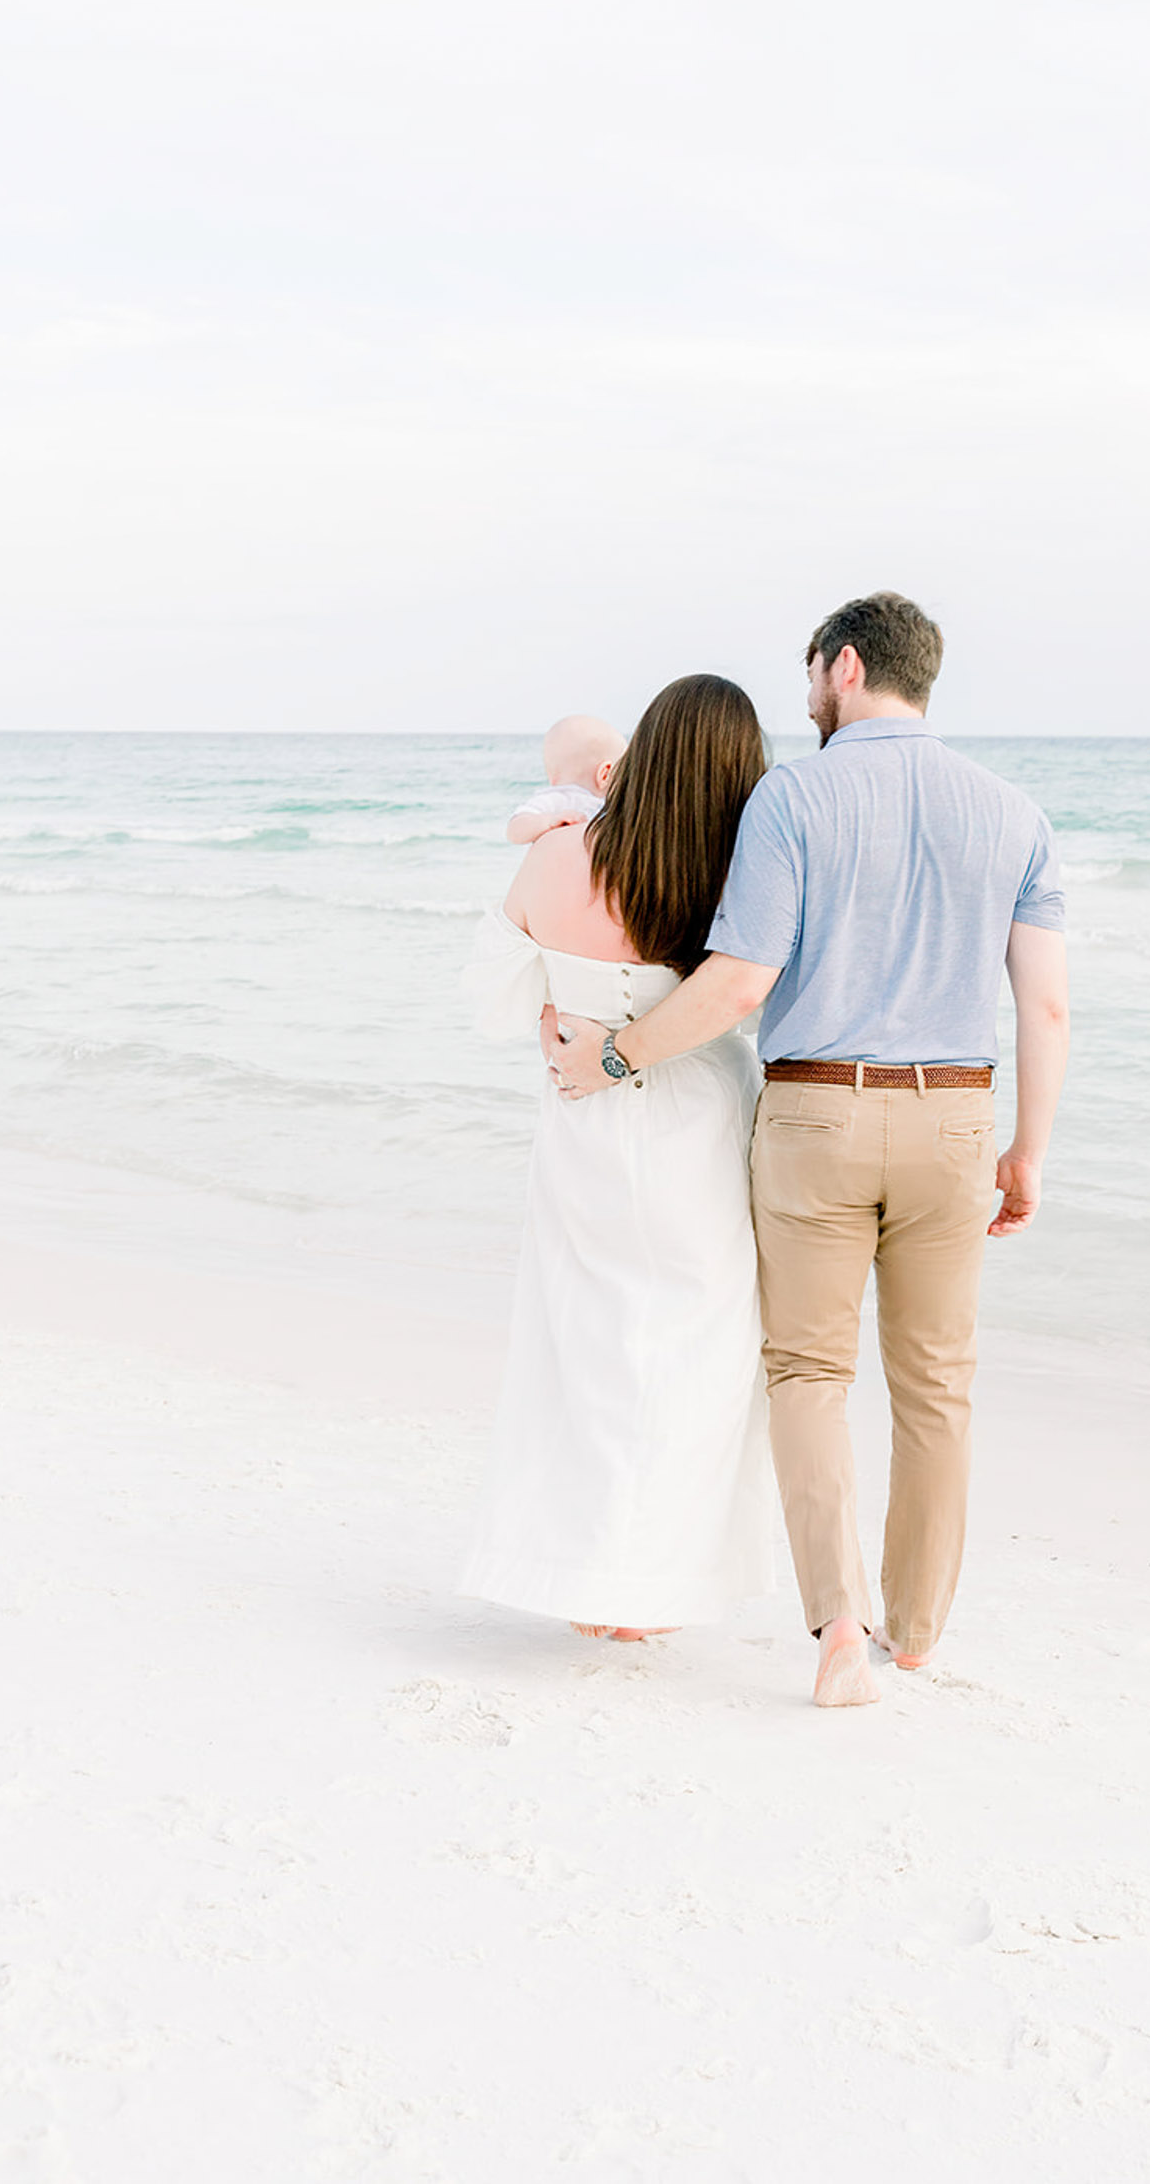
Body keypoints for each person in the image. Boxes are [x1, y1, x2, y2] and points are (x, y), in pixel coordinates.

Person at [553, 593, 1069, 1706]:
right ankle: (919, 1630)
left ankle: (840, 1629)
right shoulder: (1012, 813)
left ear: (843, 667)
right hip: (954, 1118)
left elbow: (740, 980)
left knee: (807, 1375)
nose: (805, 699)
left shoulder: (793, 796)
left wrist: (617, 1057)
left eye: (809, 677)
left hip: (815, 1115)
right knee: (935, 1385)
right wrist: (1026, 1148)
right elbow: (1047, 1010)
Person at [459, 677, 774, 1638]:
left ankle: (590, 1580)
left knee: (588, 1342)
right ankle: (658, 1587)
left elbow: (489, 996)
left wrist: (564, 1016)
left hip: (583, 1111)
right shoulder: (735, 869)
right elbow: (754, 999)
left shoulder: (557, 855)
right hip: (699, 1114)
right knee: (702, 1348)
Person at [504, 713, 626, 844]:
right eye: (624, 774)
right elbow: (514, 830)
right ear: (605, 775)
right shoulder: (557, 800)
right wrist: (548, 822)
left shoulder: (607, 806)